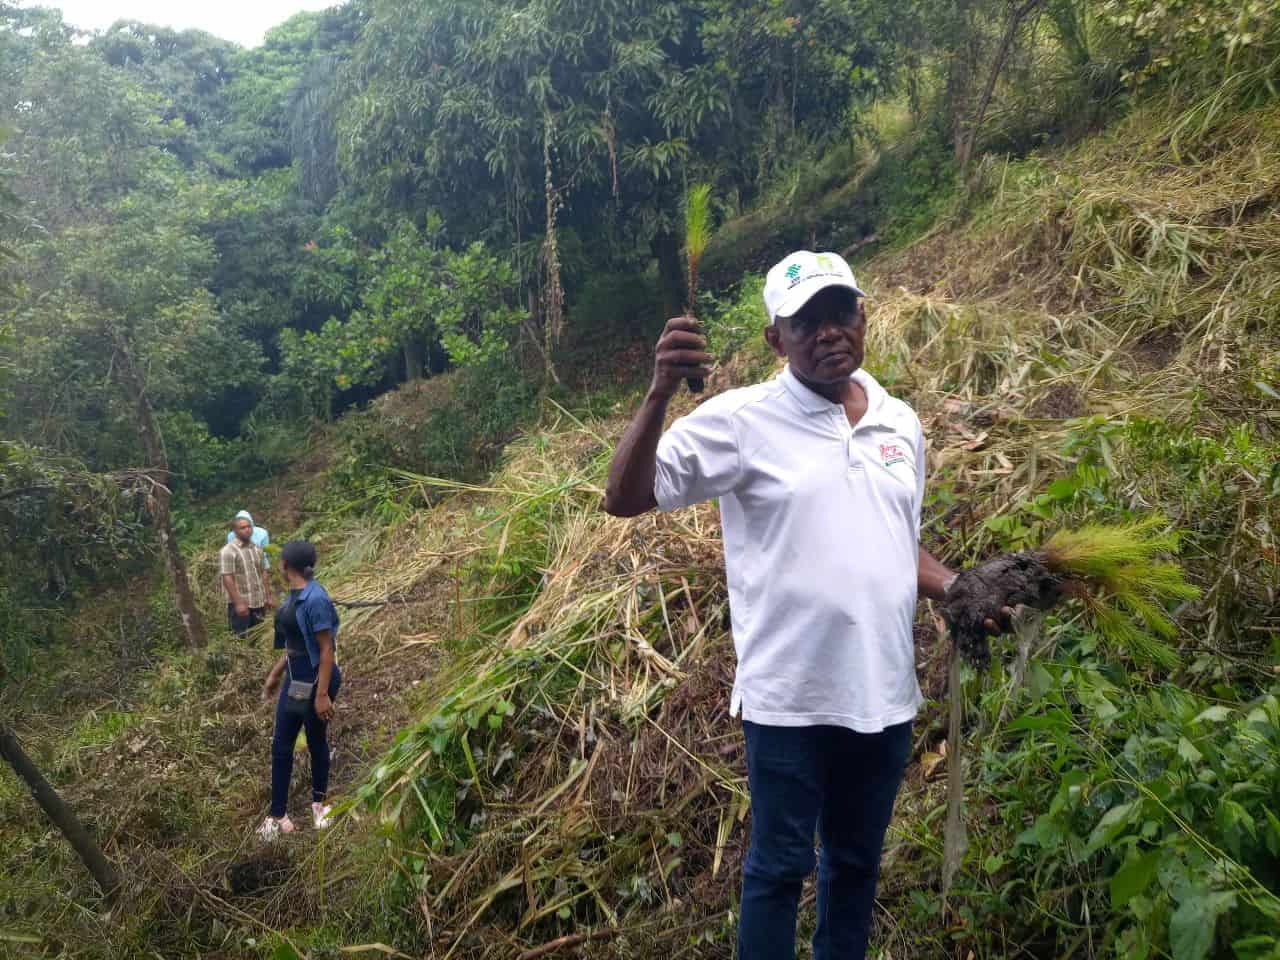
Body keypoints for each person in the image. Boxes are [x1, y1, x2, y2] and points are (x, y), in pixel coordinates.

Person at [602, 250, 1012, 960]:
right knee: (778, 870)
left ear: (863, 317)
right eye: (805, 322)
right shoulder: (741, 420)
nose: (828, 334)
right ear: (775, 340)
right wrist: (658, 395)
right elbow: (625, 498)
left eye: (839, 314)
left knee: (854, 866)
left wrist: (955, 587)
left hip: (884, 696)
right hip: (789, 701)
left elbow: (893, 543)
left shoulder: (899, 423)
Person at [258, 540, 342, 842]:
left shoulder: (315, 599)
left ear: (285, 566)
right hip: (295, 681)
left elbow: (326, 649)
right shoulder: (292, 599)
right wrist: (274, 675)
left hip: (317, 680)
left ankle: (319, 804)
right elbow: (293, 646)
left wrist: (322, 695)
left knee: (317, 740)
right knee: (281, 745)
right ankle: (277, 814)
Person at [220, 514, 275, 637]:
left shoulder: (256, 549)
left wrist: (268, 596)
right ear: (234, 531)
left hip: (258, 602)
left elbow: (263, 573)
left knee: (258, 636)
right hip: (241, 604)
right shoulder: (228, 551)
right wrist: (238, 603)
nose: (247, 530)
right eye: (242, 527)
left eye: (249, 527)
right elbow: (227, 577)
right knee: (240, 638)